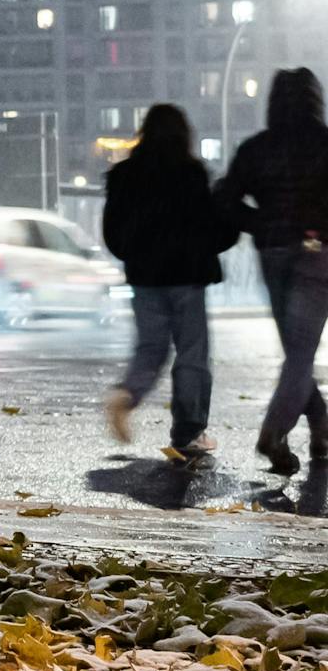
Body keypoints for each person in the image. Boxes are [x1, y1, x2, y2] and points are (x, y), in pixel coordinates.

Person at [216, 66, 328, 477]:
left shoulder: (256, 148)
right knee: (300, 353)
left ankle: (321, 426)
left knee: (296, 351)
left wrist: (260, 223)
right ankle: (274, 432)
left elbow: (224, 197)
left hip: (273, 253)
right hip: (317, 253)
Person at [100, 104, 227, 463]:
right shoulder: (190, 173)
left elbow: (112, 231)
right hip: (187, 276)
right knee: (192, 353)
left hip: (145, 277)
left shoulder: (124, 175)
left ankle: (126, 394)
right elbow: (210, 225)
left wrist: (134, 255)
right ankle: (188, 432)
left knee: (150, 348)